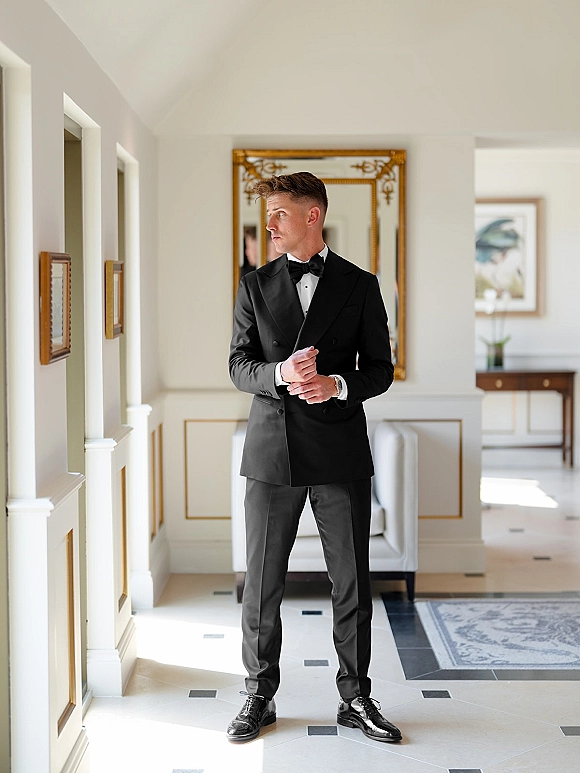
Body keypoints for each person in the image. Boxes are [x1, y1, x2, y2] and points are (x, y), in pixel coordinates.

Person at [227, 171, 402, 744]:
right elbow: (238, 366)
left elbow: (380, 370)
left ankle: (356, 698)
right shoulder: (254, 286)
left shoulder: (360, 284)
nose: (268, 225)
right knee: (263, 583)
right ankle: (258, 694)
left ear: (312, 216)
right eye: (266, 214)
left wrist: (338, 385)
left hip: (339, 453)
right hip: (272, 454)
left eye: (279, 213)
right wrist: (279, 373)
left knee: (351, 582)